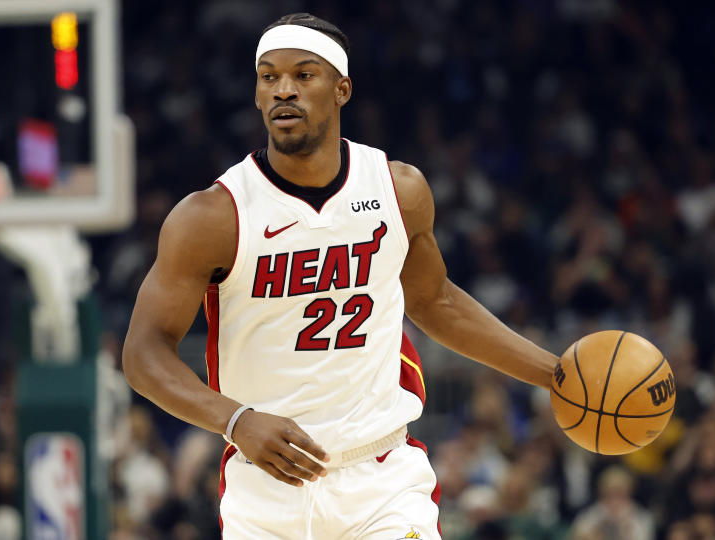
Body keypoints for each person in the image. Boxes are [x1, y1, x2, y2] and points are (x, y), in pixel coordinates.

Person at [123, 13, 558, 538]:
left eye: (304, 75)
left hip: (380, 479)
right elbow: (143, 353)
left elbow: (436, 302)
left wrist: (555, 375)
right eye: (269, 77)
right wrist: (235, 420)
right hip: (266, 486)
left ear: (341, 89)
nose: (284, 89)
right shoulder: (212, 216)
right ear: (258, 96)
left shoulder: (399, 189)